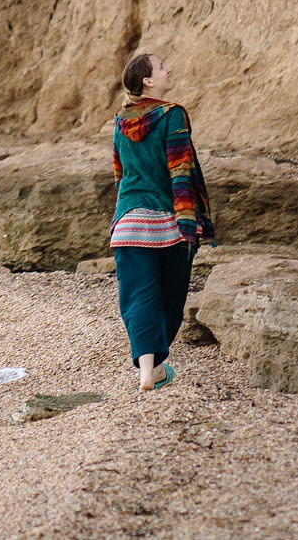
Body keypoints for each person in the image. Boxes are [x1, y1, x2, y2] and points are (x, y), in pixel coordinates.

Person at [110, 51, 215, 391]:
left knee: (138, 297)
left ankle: (147, 371)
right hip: (168, 223)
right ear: (148, 81)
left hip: (127, 223)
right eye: (162, 67)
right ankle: (154, 367)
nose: (169, 70)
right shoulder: (173, 115)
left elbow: (119, 174)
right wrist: (189, 222)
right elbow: (179, 168)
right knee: (170, 299)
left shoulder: (120, 121)